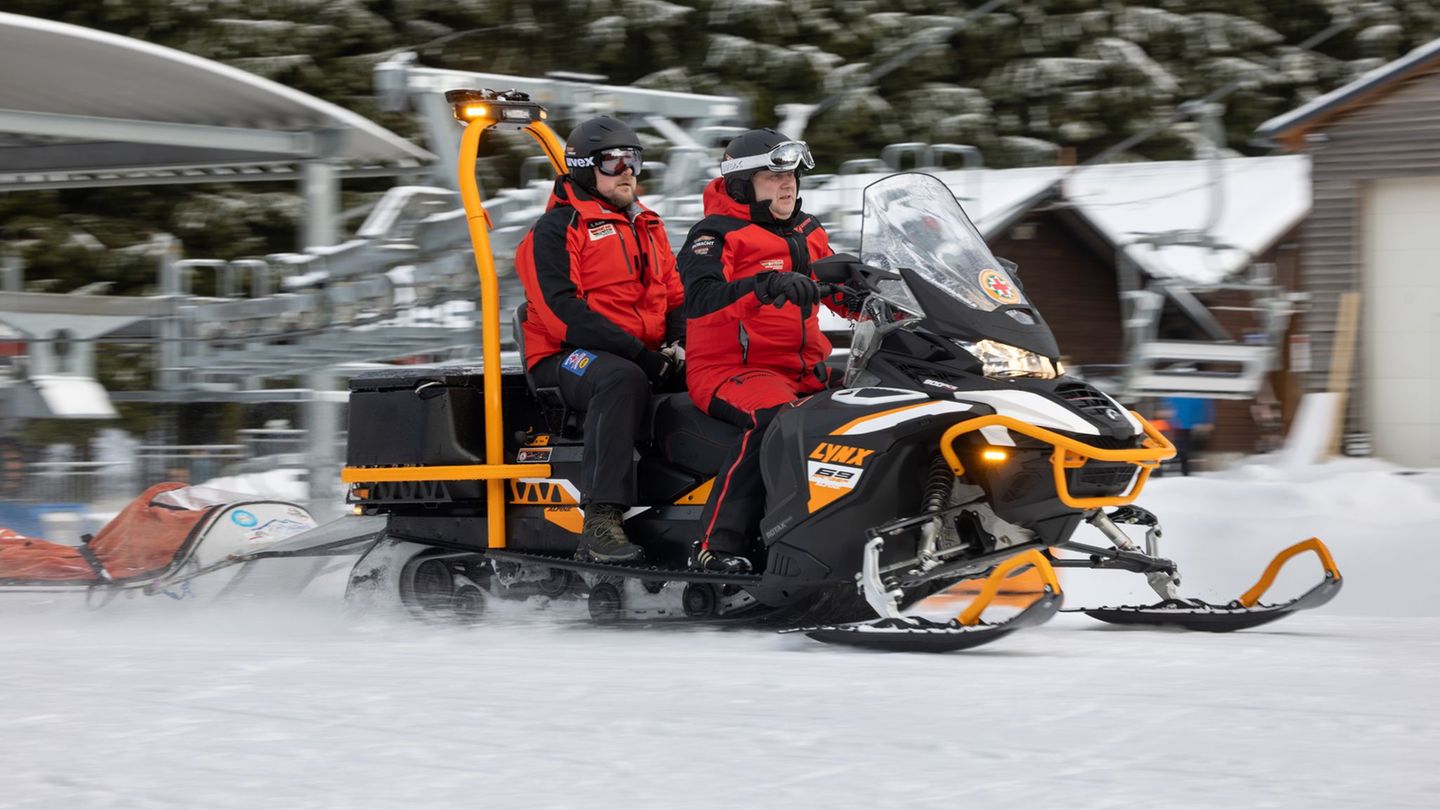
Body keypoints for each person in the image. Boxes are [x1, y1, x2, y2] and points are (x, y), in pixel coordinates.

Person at [677, 129, 852, 573]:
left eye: (791, 173)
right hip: (730, 370)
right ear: (741, 184)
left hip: (803, 368)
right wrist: (764, 284)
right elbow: (700, 297)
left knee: (883, 399)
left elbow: (834, 285)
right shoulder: (715, 235)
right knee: (777, 419)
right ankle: (717, 545)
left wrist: (877, 296)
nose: (787, 183)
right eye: (772, 176)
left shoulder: (806, 229)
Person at [514, 116, 685, 564]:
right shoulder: (555, 230)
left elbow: (677, 296)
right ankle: (600, 519)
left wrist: (683, 343)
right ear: (585, 167)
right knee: (621, 380)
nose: (628, 170)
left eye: (635, 160)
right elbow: (562, 314)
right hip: (565, 357)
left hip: (640, 354)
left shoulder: (647, 224)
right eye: (615, 162)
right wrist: (641, 356)